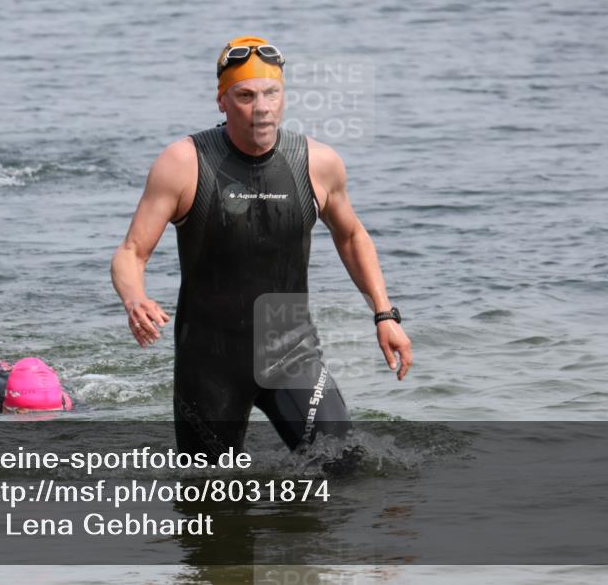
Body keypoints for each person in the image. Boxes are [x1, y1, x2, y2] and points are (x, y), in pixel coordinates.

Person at [111, 36, 413, 457]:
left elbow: (351, 236)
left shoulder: (317, 163)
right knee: (209, 491)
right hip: (209, 363)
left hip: (292, 352)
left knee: (345, 463)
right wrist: (135, 298)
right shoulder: (183, 163)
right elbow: (131, 252)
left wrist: (384, 314)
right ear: (222, 101)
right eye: (246, 96)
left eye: (272, 93)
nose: (262, 107)